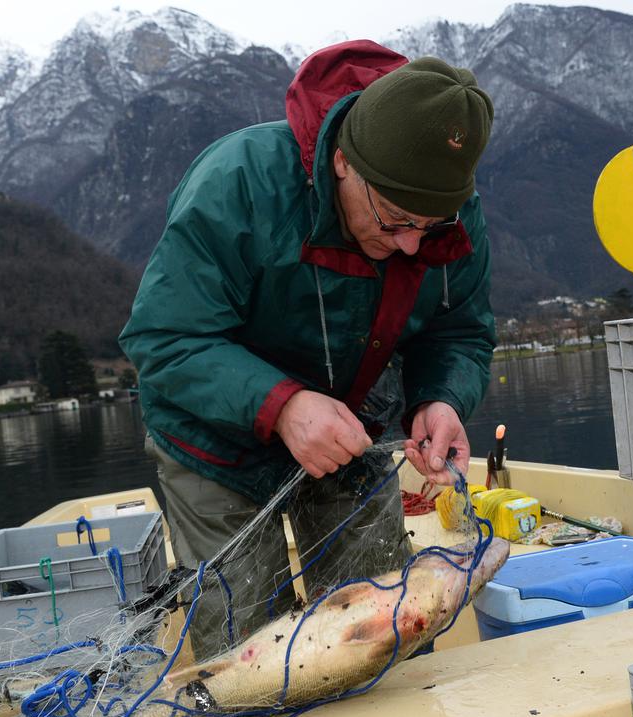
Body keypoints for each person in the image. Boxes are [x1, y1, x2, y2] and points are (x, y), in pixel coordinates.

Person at [119, 40, 496, 660]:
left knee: (386, 628)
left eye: (428, 229)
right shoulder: (237, 182)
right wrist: (285, 406)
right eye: (395, 219)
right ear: (345, 161)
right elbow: (164, 340)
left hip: (351, 424)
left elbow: (457, 330)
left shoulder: (445, 212)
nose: (409, 246)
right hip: (215, 438)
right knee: (248, 649)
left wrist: (440, 397)